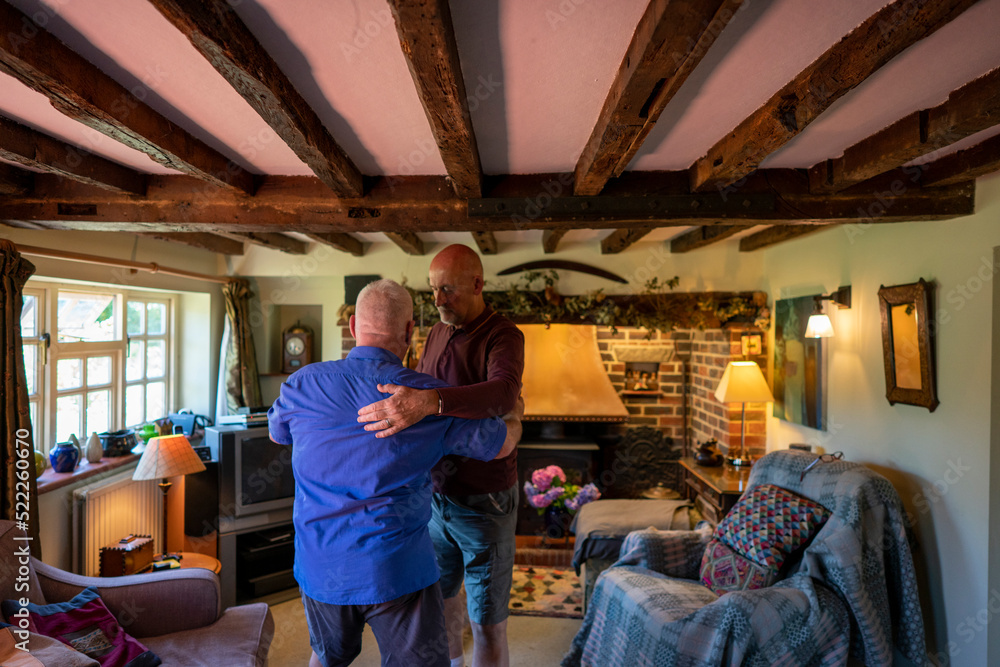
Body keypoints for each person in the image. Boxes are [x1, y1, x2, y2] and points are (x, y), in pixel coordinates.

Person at [268, 278, 522, 667]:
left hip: (320, 565)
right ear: (410, 331)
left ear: (353, 326)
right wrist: (517, 413)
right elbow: (501, 443)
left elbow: (278, 432)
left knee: (324, 656)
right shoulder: (424, 399)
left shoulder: (301, 384)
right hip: (397, 572)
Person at [357, 245, 524, 667]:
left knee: (487, 620)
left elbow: (504, 393)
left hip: (485, 498)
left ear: (477, 284)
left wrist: (433, 401)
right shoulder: (434, 333)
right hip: (434, 496)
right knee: (442, 605)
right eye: (433, 290)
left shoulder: (503, 334)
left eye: (447, 289)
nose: (438, 300)